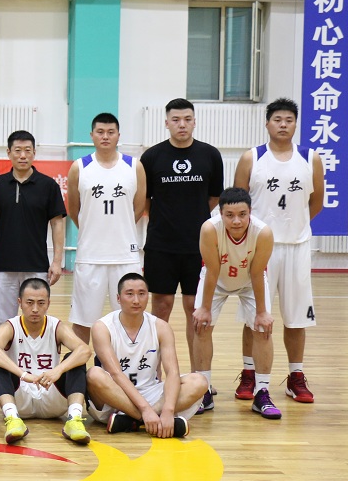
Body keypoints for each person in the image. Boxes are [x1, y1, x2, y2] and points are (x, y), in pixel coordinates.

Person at [234, 98, 324, 404]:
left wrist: (293, 226)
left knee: (296, 317)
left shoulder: (310, 158)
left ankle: (295, 376)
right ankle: (249, 373)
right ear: (267, 123)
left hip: (297, 248)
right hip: (261, 249)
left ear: (296, 124)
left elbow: (316, 203)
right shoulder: (252, 158)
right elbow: (238, 204)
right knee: (254, 316)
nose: (283, 124)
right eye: (277, 119)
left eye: (289, 120)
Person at [140, 98, 223, 410]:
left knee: (195, 310)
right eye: (176, 119)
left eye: (187, 119)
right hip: (161, 245)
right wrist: (167, 220)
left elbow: (213, 198)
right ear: (167, 123)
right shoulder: (152, 157)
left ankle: (200, 381)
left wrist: (193, 222)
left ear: (194, 121)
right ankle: (154, 378)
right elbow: (145, 200)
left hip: (198, 246)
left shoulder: (210, 155)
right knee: (160, 308)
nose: (182, 124)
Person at [192, 188, 279, 419]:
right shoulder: (209, 229)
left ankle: (262, 393)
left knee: (263, 329)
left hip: (250, 281)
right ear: (220, 214)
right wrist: (205, 309)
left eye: (242, 214)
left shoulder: (263, 233)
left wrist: (262, 313)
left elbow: (257, 272)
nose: (236, 221)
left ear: (250, 212)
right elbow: (212, 270)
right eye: (229, 215)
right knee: (201, 326)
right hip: (216, 280)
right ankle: (203, 391)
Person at [86, 273, 207, 437]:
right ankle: (147, 418)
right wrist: (144, 410)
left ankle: (132, 421)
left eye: (141, 294)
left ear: (147, 297)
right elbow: (115, 373)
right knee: (94, 375)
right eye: (129, 294)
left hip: (151, 393)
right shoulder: (102, 327)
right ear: (118, 298)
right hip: (115, 395)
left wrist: (168, 409)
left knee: (199, 381)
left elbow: (172, 372)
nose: (136, 300)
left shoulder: (161, 327)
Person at [67, 113, 146, 344]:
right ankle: (80, 366)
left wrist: (120, 228)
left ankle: (123, 364)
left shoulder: (134, 166)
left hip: (125, 255)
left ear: (118, 136)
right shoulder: (79, 167)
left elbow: (138, 208)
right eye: (100, 132)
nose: (105, 137)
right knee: (83, 320)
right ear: (91, 135)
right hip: (90, 256)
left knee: (130, 316)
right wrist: (92, 230)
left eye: (111, 132)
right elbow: (74, 210)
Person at [0, 277, 92, 445]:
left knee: (75, 359)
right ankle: (12, 418)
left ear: (48, 303)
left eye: (41, 303)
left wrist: (58, 370)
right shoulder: (10, 326)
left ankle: (74, 419)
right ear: (20, 302)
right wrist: (23, 374)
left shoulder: (56, 326)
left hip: (52, 395)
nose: (35, 309)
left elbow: (85, 350)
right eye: (29, 303)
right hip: (21, 398)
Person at [0, 130, 67, 326]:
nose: (23, 155)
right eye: (18, 150)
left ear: (34, 153)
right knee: (3, 323)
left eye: (27, 150)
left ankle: (33, 349)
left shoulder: (48, 185)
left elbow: (57, 223)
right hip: (3, 267)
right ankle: (4, 350)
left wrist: (57, 262)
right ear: (9, 152)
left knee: (35, 320)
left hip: (36, 267)